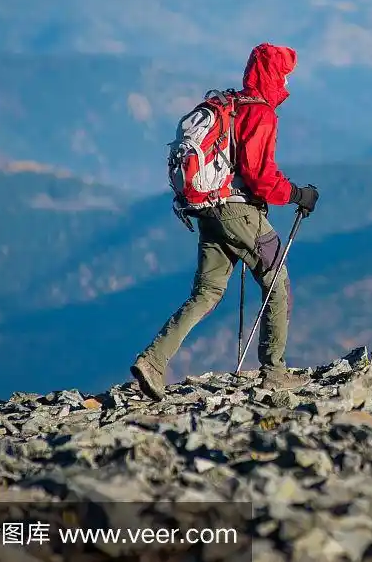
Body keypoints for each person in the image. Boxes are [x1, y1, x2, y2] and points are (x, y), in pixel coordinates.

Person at [130, 43, 320, 399]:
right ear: (274, 75)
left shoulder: (230, 106)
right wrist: (297, 194)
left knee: (206, 293)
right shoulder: (260, 114)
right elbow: (260, 176)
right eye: (284, 74)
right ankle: (274, 372)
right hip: (238, 211)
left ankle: (153, 362)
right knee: (276, 280)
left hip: (206, 209)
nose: (287, 81)